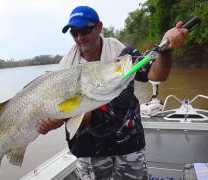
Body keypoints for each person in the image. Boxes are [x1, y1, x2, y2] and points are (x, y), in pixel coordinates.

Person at [36, 5, 188, 180]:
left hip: (129, 144)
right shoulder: (65, 69)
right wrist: (51, 122)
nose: (79, 38)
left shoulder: (123, 56)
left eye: (85, 31)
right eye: (74, 33)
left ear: (99, 27)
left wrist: (166, 49)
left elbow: (157, 74)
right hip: (89, 149)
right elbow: (69, 114)